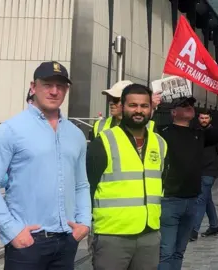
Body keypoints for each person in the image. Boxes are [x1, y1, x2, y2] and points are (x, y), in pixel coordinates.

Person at [0, 61, 91, 269]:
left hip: (67, 239)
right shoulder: (10, 130)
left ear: (66, 90)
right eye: (48, 84)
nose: (54, 91)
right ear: (33, 87)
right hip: (28, 243)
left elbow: (81, 184)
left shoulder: (75, 135)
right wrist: (12, 230)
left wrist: (84, 222)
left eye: (61, 86)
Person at [158, 89, 218, 270]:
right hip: (169, 199)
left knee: (179, 250)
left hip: (191, 200)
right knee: (166, 251)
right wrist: (152, 104)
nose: (190, 107)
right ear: (173, 112)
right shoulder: (161, 133)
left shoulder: (199, 135)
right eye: (184, 105)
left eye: (191, 105)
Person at [87, 84, 166, 270]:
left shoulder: (160, 144)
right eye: (133, 105)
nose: (139, 110)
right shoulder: (104, 141)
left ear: (151, 108)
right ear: (123, 106)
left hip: (149, 234)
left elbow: (163, 182)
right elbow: (88, 185)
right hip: (112, 235)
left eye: (144, 106)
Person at [190, 109, 218, 241]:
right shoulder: (195, 132)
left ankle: (193, 231)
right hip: (197, 171)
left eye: (206, 118)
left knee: (200, 200)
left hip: (209, 172)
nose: (204, 120)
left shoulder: (215, 134)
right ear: (198, 119)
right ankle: (214, 227)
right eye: (202, 118)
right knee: (206, 199)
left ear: (210, 119)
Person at [90, 80, 160, 141]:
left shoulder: (151, 126)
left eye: (115, 100)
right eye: (109, 98)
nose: (111, 103)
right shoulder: (99, 125)